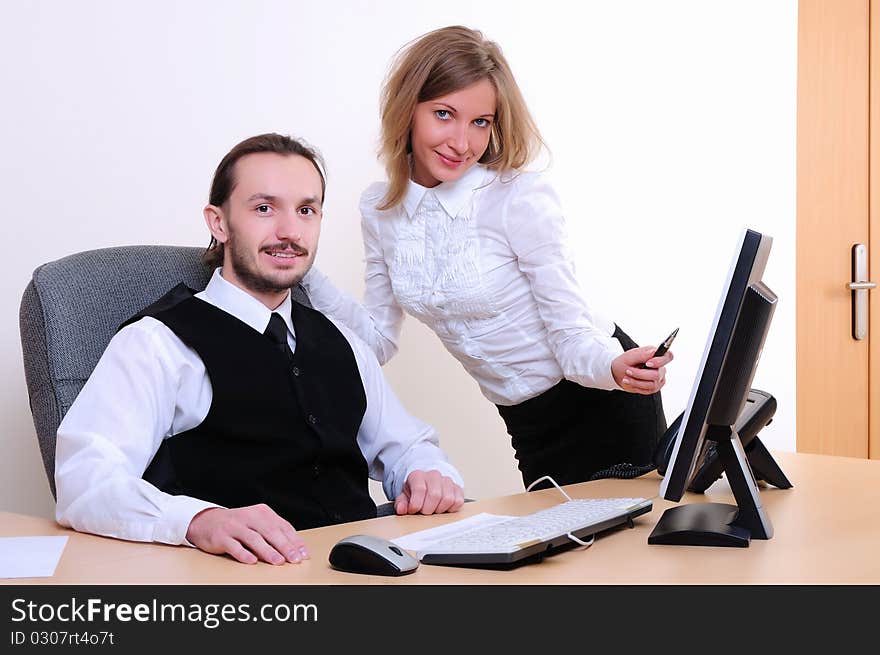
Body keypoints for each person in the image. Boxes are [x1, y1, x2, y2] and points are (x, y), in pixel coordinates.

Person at [54, 133, 465, 566]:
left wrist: (426, 474)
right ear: (218, 223)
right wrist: (199, 520)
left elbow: (406, 445)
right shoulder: (157, 343)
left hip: (359, 577)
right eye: (264, 208)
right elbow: (85, 480)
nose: (289, 232)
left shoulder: (342, 342)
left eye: (306, 210)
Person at [302, 26, 674, 490]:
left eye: (481, 122)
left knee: (627, 557)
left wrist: (614, 368)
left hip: (600, 399)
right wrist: (306, 274)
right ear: (407, 111)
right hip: (526, 423)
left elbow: (571, 334)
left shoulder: (518, 198)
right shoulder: (380, 210)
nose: (462, 141)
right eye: (444, 114)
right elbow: (377, 342)